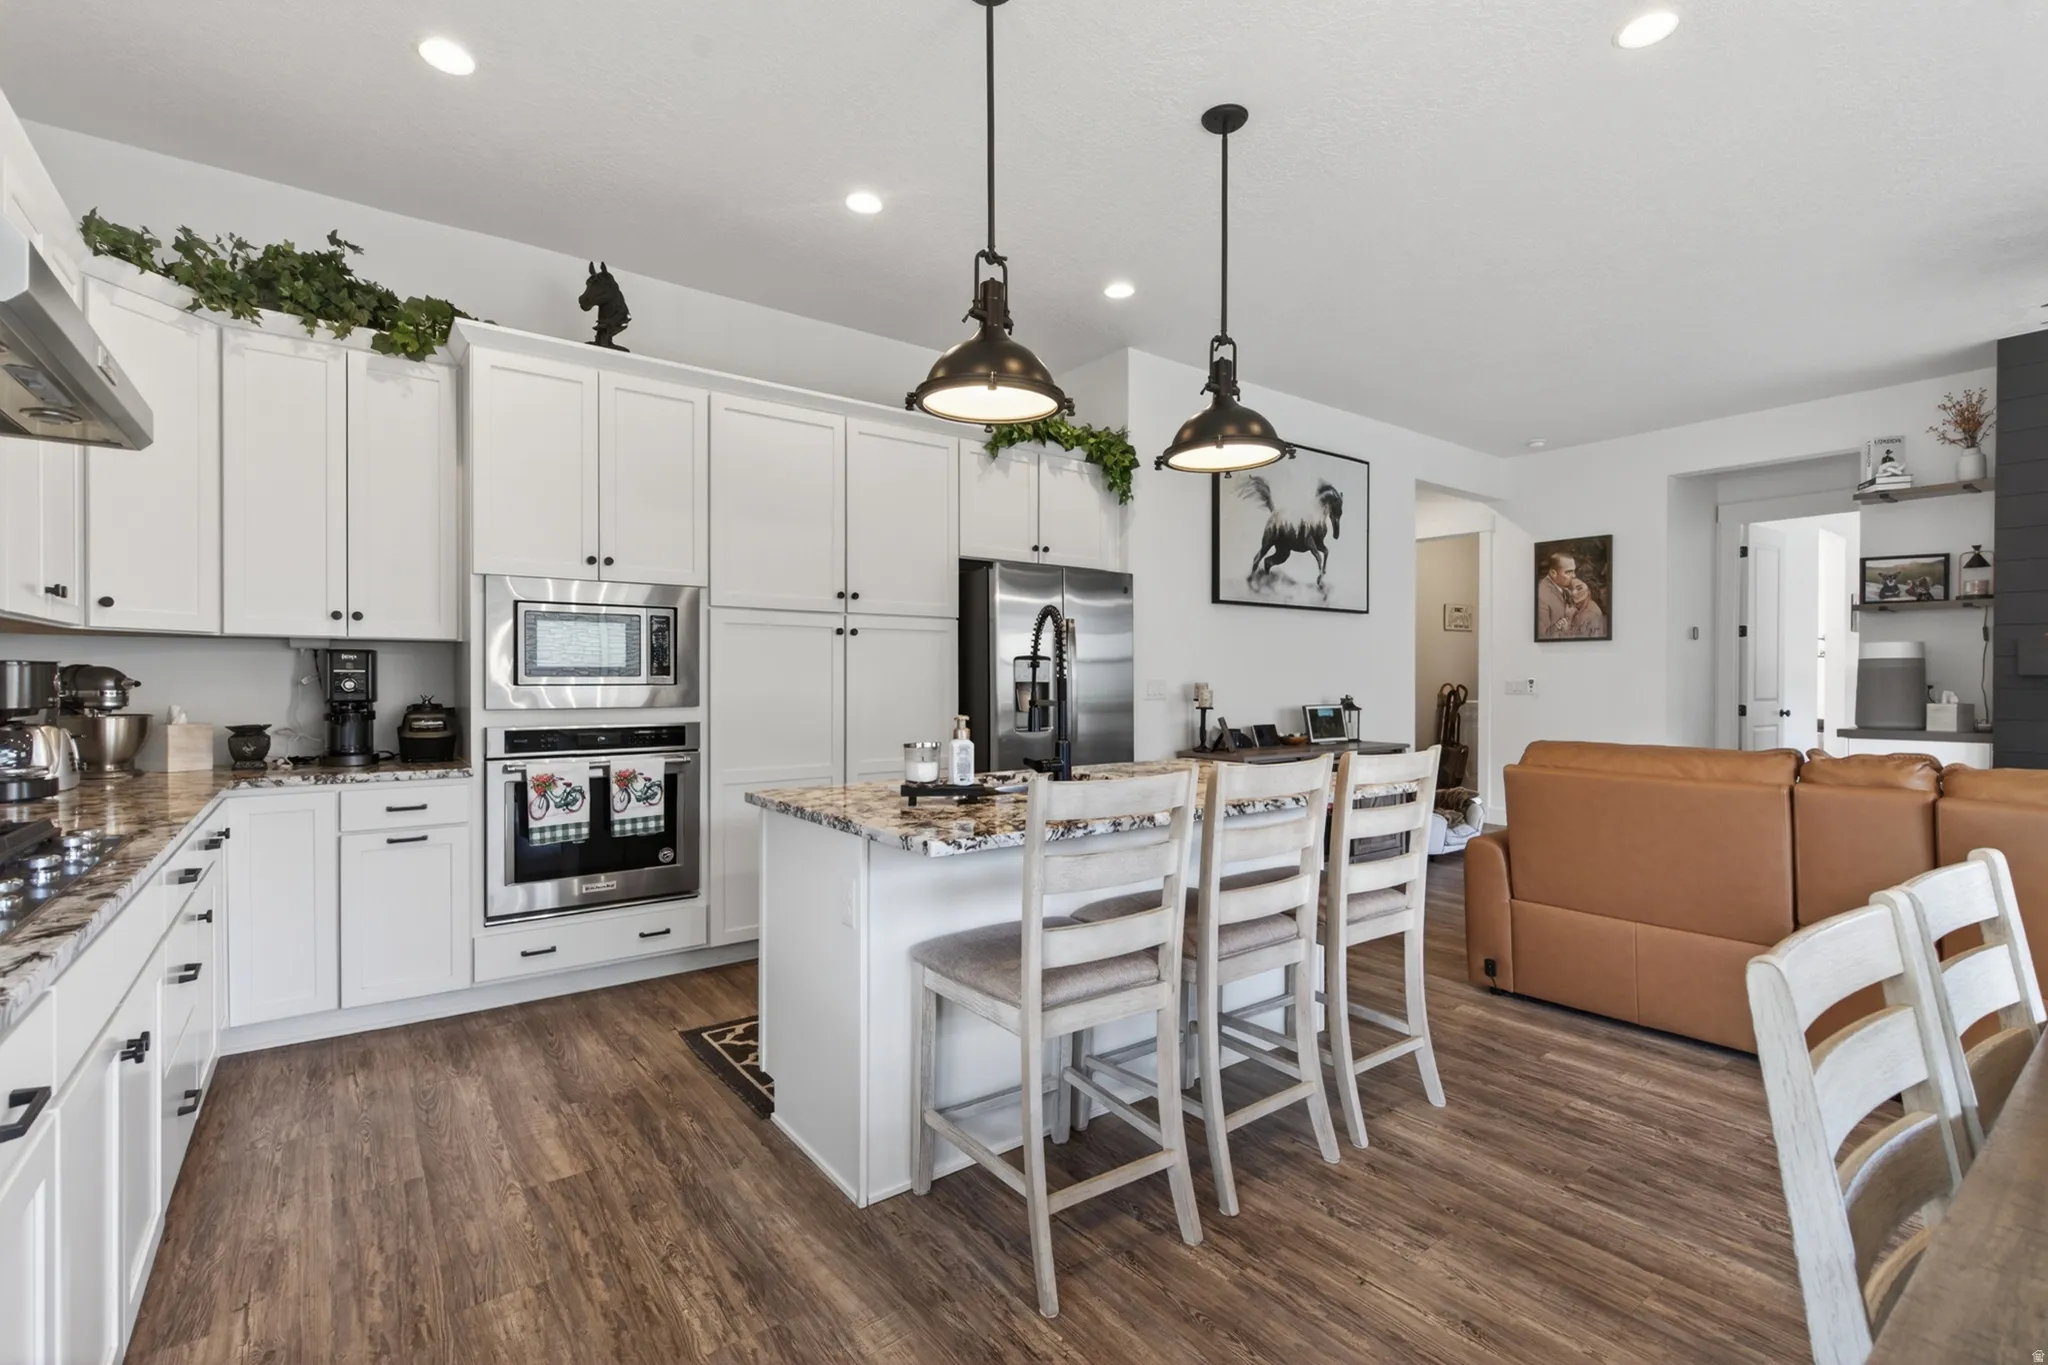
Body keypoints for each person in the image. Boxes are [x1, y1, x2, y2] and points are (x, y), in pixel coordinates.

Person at [1536, 552, 1607, 639]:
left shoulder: (1592, 612)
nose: (1573, 576)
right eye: (1568, 572)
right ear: (1553, 573)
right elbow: (1542, 637)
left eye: (1574, 571)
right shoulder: (1542, 593)